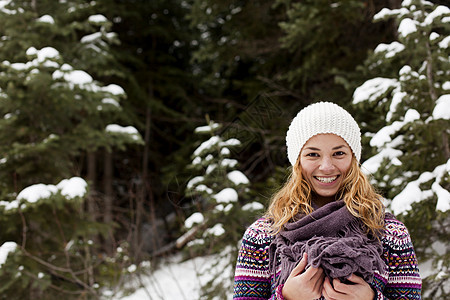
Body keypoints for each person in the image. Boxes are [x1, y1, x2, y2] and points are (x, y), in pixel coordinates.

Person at [233, 102, 422, 300]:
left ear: (353, 158)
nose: (326, 166)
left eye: (338, 153)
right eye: (313, 154)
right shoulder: (263, 236)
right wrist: (286, 297)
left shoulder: (390, 233)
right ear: (297, 161)